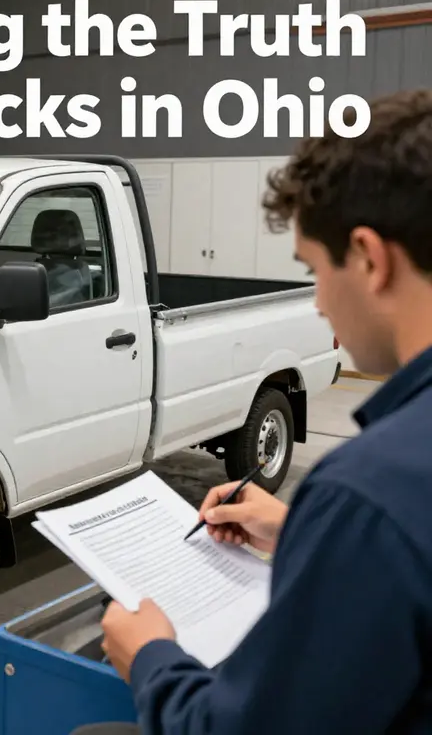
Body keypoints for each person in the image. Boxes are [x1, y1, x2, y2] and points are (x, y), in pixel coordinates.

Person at [94, 88, 432, 734]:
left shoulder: (369, 494)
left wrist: (151, 658)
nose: (318, 304)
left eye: (313, 269)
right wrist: (305, 532)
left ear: (368, 258)